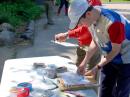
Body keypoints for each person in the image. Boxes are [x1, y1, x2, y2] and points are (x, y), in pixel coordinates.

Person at [68, 0, 130, 97]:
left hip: (126, 58)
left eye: (80, 22)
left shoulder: (113, 23)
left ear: (88, 13)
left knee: (121, 93)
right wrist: (84, 62)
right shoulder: (92, 17)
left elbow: (115, 50)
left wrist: (97, 67)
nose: (79, 25)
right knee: (105, 89)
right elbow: (95, 41)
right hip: (109, 56)